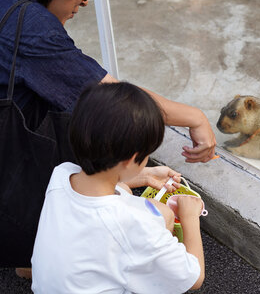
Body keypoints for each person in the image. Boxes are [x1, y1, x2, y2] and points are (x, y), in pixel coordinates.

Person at [0, 0, 216, 272]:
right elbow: (112, 101)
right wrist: (193, 116)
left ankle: (30, 254)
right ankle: (28, 249)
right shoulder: (30, 27)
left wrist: (131, 176)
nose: (85, 3)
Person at [31, 82, 205, 293]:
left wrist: (145, 174)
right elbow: (193, 278)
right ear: (131, 159)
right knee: (160, 214)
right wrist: (190, 217)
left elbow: (99, 183)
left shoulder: (62, 174)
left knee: (145, 204)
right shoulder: (135, 223)